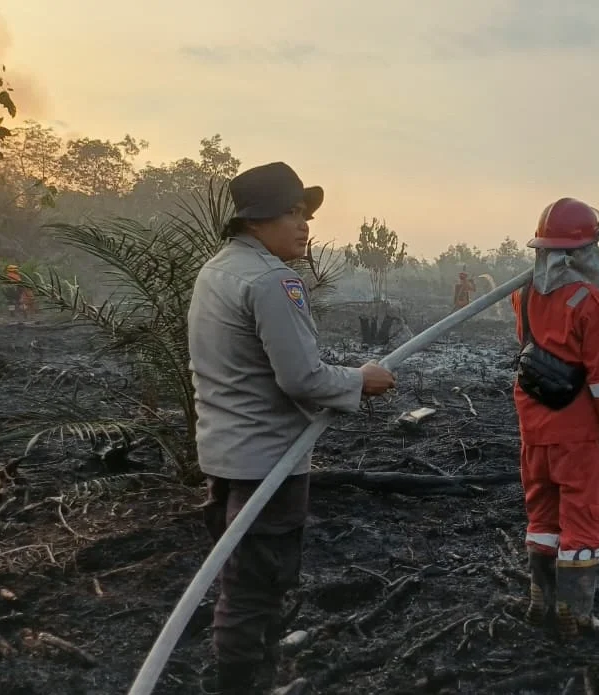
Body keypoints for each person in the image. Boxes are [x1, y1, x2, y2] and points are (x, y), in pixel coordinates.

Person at [187, 161, 397, 694]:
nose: (305, 225)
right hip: (267, 462)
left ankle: (248, 676)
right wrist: (360, 379)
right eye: (292, 213)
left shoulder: (218, 270)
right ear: (256, 221)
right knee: (258, 586)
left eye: (305, 213)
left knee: (241, 581)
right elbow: (302, 377)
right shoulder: (273, 280)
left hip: (224, 454)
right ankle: (243, 685)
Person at [511, 197, 599, 640]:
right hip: (578, 433)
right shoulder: (590, 303)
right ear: (584, 252)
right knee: (583, 519)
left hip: (534, 430)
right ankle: (575, 612)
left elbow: (531, 348)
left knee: (543, 516)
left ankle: (540, 598)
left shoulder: (523, 293)